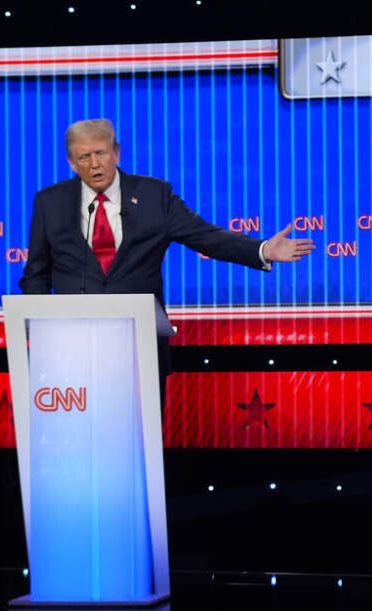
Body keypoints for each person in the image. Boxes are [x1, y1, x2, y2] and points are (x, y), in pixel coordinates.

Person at [19, 118, 316, 400]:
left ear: (117, 153)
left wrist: (261, 249)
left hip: (138, 345)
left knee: (141, 432)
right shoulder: (50, 202)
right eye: (84, 157)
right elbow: (36, 273)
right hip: (72, 348)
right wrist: (45, 334)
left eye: (101, 153)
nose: (94, 163)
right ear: (72, 163)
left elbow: (205, 236)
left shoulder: (154, 195)